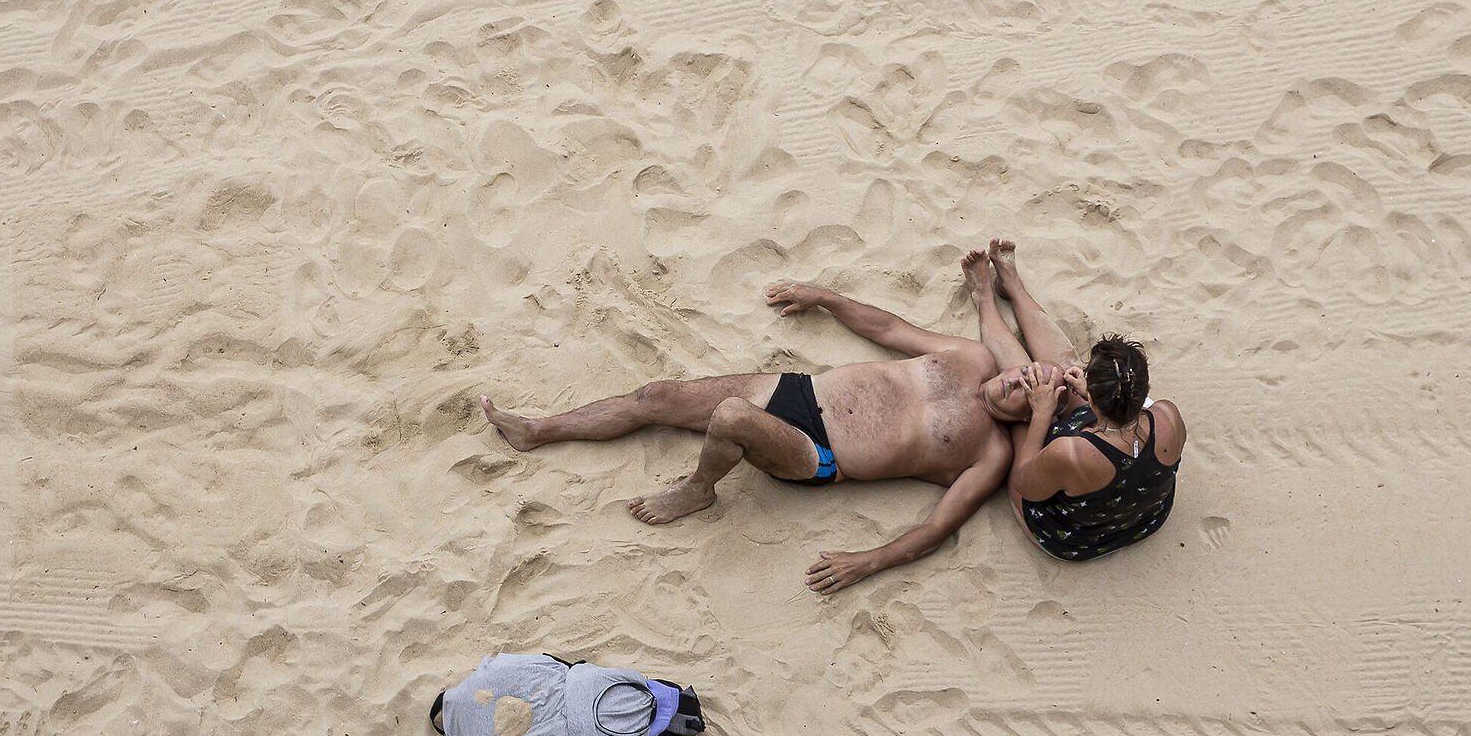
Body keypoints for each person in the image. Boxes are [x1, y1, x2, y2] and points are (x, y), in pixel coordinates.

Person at [481, 246, 1054, 594]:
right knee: (656, 396)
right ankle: (539, 431)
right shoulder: (973, 358)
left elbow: (937, 528)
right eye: (1019, 371)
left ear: (1032, 415)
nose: (1011, 379)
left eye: (1023, 390)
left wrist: (867, 562)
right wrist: (825, 297)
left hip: (817, 454)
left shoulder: (990, 453)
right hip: (797, 391)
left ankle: (699, 490)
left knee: (732, 417)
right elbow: (890, 330)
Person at [1008, 322, 1185, 563]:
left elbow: (1023, 484)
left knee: (1020, 421)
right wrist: (1087, 392)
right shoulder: (1168, 415)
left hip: (1074, 541)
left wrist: (1040, 415)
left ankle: (995, 297)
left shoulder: (1070, 453)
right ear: (1145, 391)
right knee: (1056, 388)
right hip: (1147, 520)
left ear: (1091, 401)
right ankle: (1014, 292)